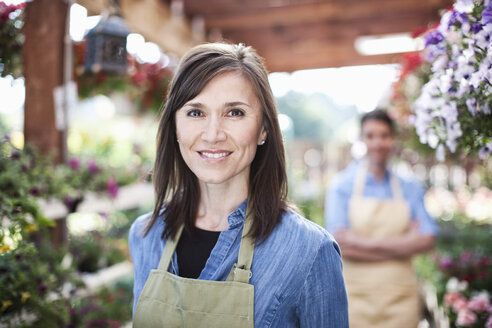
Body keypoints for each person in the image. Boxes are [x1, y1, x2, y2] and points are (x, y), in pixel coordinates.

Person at [129, 43, 349, 328]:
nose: (213, 135)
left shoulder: (309, 252)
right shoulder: (146, 235)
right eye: (196, 112)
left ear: (264, 129)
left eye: (234, 112)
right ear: (175, 126)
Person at [325, 109, 439, 328]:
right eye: (370, 136)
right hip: (356, 299)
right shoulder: (342, 186)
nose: (378, 143)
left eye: (384, 135)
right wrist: (405, 243)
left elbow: (428, 238)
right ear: (361, 139)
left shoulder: (409, 186)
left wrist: (361, 241)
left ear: (393, 139)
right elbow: (339, 247)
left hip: (402, 301)